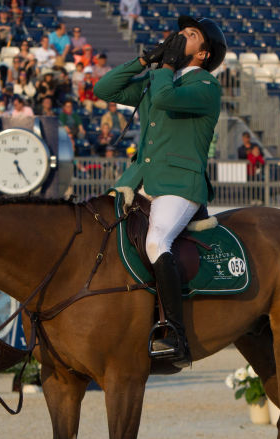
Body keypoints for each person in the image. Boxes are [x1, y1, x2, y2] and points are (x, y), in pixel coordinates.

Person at [94, 16, 226, 367]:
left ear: (203, 53)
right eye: (181, 31)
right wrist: (143, 60)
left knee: (156, 242)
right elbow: (104, 89)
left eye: (191, 34)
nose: (181, 35)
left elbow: (167, 98)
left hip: (179, 185)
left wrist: (165, 65)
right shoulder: (159, 78)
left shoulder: (206, 86)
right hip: (140, 179)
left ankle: (175, 334)